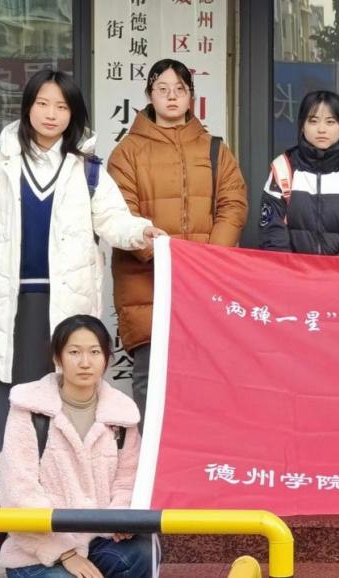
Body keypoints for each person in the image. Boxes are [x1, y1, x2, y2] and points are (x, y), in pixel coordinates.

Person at [0, 68, 163, 452]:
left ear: (73, 114)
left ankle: (61, 464)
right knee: (14, 381)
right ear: (28, 107)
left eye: (61, 106)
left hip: (68, 294)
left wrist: (141, 232)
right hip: (14, 296)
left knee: (66, 379)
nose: (51, 114)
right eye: (43, 104)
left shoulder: (87, 170)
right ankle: (15, 468)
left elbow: (113, 219)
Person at [107, 58, 248, 423]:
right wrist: (163, 255)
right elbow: (120, 213)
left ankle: (197, 452)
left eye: (180, 89)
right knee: (150, 377)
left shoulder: (215, 149)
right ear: (149, 95)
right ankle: (149, 456)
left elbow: (233, 203)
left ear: (191, 97)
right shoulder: (127, 152)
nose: (171, 96)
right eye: (162, 89)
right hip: (147, 283)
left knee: (203, 377)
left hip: (203, 284)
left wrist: (207, 260)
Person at [0, 315, 152, 577]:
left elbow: (128, 481)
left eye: (94, 352)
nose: (85, 362)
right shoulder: (29, 408)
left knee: (139, 555)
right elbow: (19, 490)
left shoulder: (122, 414)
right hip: (38, 548)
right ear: (57, 358)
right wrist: (66, 553)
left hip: (98, 539)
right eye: (74, 352)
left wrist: (121, 520)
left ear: (107, 358)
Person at [259, 90, 339, 255]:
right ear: (302, 126)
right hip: (292, 269)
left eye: (330, 122)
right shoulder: (283, 167)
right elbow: (272, 229)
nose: (321, 129)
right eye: (313, 121)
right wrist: (288, 267)